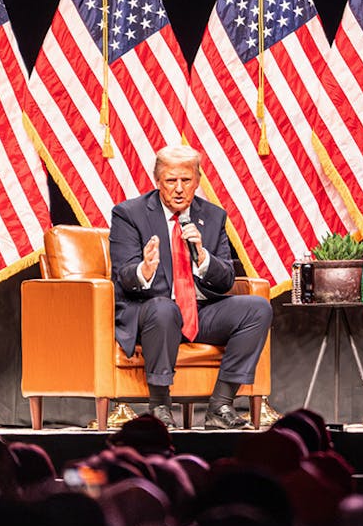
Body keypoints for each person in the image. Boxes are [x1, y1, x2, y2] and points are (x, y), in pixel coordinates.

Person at [109, 145, 272, 429]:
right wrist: (144, 270)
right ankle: (160, 405)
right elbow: (124, 275)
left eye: (186, 180)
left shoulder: (213, 216)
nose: (179, 189)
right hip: (153, 314)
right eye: (171, 181)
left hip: (199, 313)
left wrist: (202, 255)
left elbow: (226, 281)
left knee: (257, 308)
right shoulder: (129, 214)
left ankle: (221, 404)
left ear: (197, 180)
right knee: (164, 309)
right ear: (157, 181)